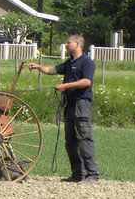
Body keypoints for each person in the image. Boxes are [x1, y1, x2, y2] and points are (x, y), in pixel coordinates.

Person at [28, 35, 100, 183]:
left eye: (69, 43)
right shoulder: (69, 63)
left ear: (78, 44)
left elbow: (87, 81)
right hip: (69, 105)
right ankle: (77, 175)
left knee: (84, 140)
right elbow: (52, 70)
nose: (66, 45)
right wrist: (38, 67)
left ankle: (92, 174)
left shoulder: (87, 62)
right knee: (70, 142)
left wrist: (66, 86)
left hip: (81, 105)